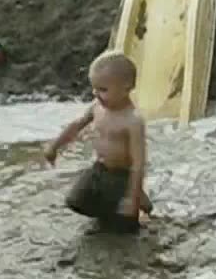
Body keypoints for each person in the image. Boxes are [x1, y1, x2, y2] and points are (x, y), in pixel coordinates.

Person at [44, 51, 154, 232]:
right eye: (94, 88)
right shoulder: (97, 107)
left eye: (103, 90)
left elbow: (138, 163)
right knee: (75, 201)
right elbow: (76, 125)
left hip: (122, 175)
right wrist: (55, 145)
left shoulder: (132, 120)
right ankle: (122, 204)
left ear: (127, 88)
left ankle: (139, 201)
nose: (96, 94)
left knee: (124, 229)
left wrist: (131, 197)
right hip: (99, 169)